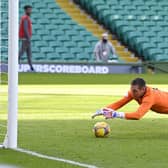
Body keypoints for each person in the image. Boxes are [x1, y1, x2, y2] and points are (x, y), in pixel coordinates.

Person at [92, 78, 168, 120]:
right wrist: (104, 110)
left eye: (135, 91)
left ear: (143, 89)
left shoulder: (149, 98)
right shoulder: (133, 92)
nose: (132, 93)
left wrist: (115, 114)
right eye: (131, 89)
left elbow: (138, 115)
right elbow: (119, 103)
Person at [19, 5, 35, 72]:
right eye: (29, 9)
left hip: (27, 38)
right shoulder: (25, 18)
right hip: (26, 38)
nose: (30, 11)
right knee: (21, 53)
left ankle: (31, 68)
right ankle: (12, 65)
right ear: (25, 10)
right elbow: (25, 29)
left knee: (29, 54)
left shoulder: (26, 18)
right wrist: (28, 38)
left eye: (30, 9)